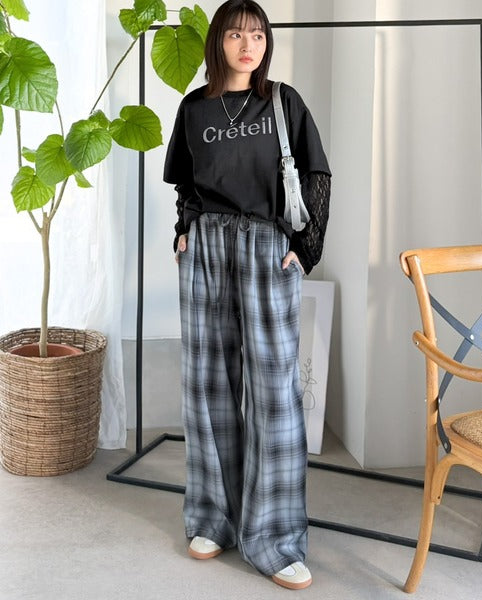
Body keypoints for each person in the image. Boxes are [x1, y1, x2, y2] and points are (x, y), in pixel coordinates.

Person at [163, 0, 331, 590]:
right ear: (218, 42)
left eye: (257, 35)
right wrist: (184, 230)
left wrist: (306, 247)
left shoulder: (282, 101)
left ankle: (275, 538)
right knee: (207, 383)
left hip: (266, 245)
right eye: (236, 34)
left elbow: (316, 174)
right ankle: (214, 518)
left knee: (274, 394)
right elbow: (186, 182)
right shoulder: (194, 108)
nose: (247, 45)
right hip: (207, 245)